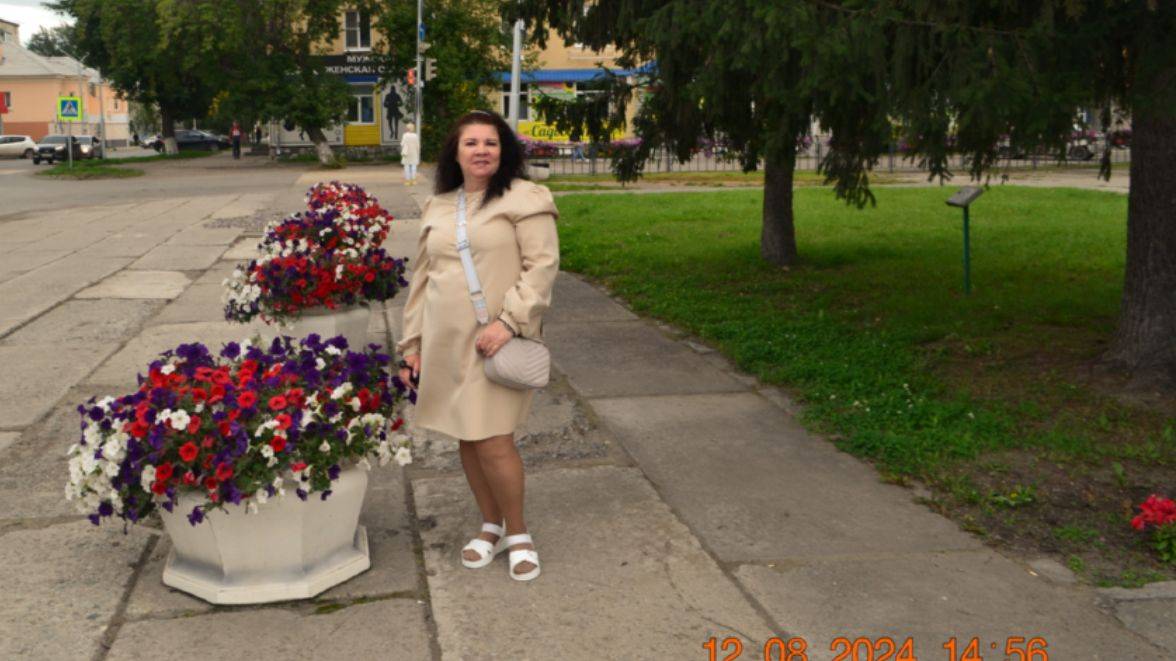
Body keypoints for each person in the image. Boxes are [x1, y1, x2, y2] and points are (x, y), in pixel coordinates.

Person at [396, 110, 560, 582]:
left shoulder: (526, 198)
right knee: (467, 436)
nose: (481, 150)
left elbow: (541, 267)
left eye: (491, 142)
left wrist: (508, 324)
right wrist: (412, 345)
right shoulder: (439, 205)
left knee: (493, 439)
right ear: (456, 151)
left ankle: (519, 533)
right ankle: (491, 525)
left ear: (504, 150)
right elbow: (423, 280)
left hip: (494, 340)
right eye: (471, 143)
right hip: (445, 340)